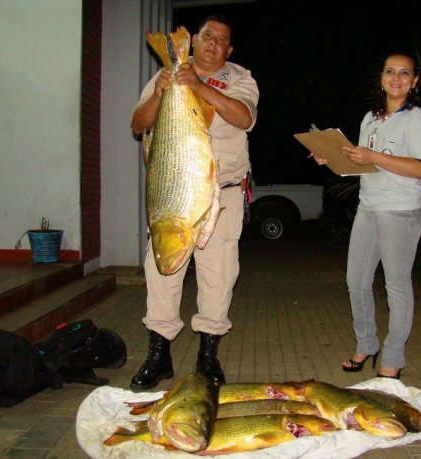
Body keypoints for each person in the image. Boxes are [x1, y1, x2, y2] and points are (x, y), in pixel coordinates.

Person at [129, 15, 259, 390]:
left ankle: (208, 355)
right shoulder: (164, 76)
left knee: (218, 275)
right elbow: (138, 125)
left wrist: (198, 86)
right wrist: (160, 92)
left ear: (229, 49)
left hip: (222, 192)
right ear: (196, 40)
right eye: (207, 36)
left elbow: (244, 117)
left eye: (222, 39)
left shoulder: (240, 78)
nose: (214, 42)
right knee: (162, 271)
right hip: (173, 189)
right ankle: (159, 353)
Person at [314, 52, 421, 380]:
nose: (396, 79)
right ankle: (366, 343)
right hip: (369, 206)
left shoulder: (417, 119)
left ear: (414, 81)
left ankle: (393, 357)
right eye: (390, 72)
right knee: (356, 281)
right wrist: (335, 157)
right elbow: (361, 164)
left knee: (395, 284)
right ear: (381, 78)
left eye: (404, 73)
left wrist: (373, 156)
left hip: (401, 210)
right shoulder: (370, 118)